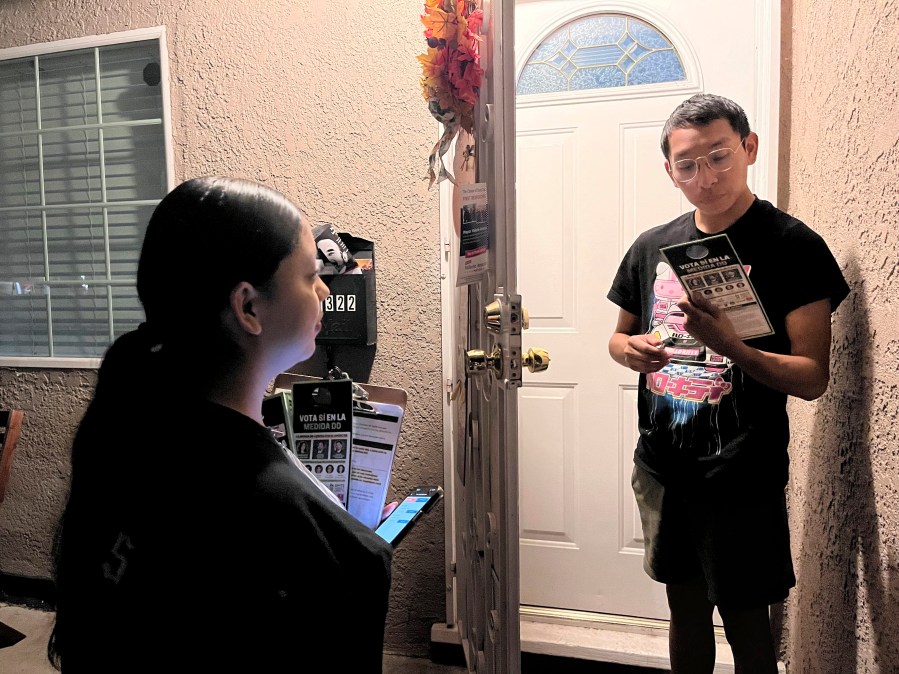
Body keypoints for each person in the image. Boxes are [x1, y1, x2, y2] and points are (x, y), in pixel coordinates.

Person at [47, 177, 395, 672]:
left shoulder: (132, 434)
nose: (323, 288)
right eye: (309, 274)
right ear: (249, 306)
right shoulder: (321, 544)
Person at [607, 94, 849, 674]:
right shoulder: (652, 246)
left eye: (718, 155)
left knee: (745, 620)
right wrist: (631, 351)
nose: (705, 176)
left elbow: (813, 377)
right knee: (683, 610)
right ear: (670, 170)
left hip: (742, 469)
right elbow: (617, 338)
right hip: (664, 465)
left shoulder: (793, 246)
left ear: (749, 148)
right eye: (687, 164)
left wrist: (731, 348)